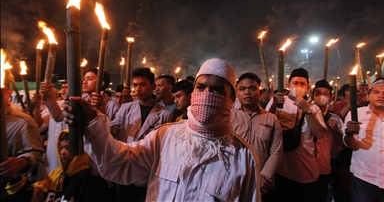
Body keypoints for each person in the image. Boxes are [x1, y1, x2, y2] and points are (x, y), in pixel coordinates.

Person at [63, 58, 261, 201]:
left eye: (217, 90)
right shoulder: (165, 137)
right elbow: (119, 163)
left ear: (231, 100)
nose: (207, 95)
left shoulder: (243, 158)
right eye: (201, 88)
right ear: (194, 93)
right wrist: (92, 123)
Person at [110, 68, 173, 201]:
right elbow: (111, 131)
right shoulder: (125, 109)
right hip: (125, 166)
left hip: (147, 171)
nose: (138, 89)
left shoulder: (164, 114)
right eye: (136, 85)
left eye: (143, 84)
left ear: (153, 87)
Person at [265, 68, 327, 202]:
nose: (298, 86)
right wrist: (273, 106)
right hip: (280, 170)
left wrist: (306, 109)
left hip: (305, 171)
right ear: (288, 86)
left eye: (302, 84)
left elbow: (319, 133)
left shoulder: (314, 108)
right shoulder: (278, 102)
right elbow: (264, 129)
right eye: (295, 83)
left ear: (308, 87)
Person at [3, 130, 114, 202]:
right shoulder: (56, 174)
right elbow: (36, 194)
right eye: (61, 148)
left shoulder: (85, 177)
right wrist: (15, 179)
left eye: (68, 148)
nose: (63, 152)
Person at [231, 72, 282, 199]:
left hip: (263, 185)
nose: (247, 92)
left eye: (252, 88)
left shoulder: (271, 119)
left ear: (260, 92)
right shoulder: (229, 117)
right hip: (234, 180)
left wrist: (263, 176)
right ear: (237, 93)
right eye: (242, 89)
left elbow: (276, 151)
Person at [342, 78, 384, 202]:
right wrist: (349, 133)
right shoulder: (357, 114)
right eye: (376, 92)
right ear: (368, 96)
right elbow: (350, 144)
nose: (381, 96)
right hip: (364, 178)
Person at [1, 82, 44, 200]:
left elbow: (35, 153)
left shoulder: (23, 122)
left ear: (8, 93)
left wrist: (20, 162)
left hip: (6, 192)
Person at [312, 79, 344, 202]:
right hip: (305, 166)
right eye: (318, 93)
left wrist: (335, 130)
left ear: (330, 97)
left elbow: (342, 144)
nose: (321, 96)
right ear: (312, 95)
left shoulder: (335, 118)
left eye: (325, 94)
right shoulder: (304, 114)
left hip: (324, 166)